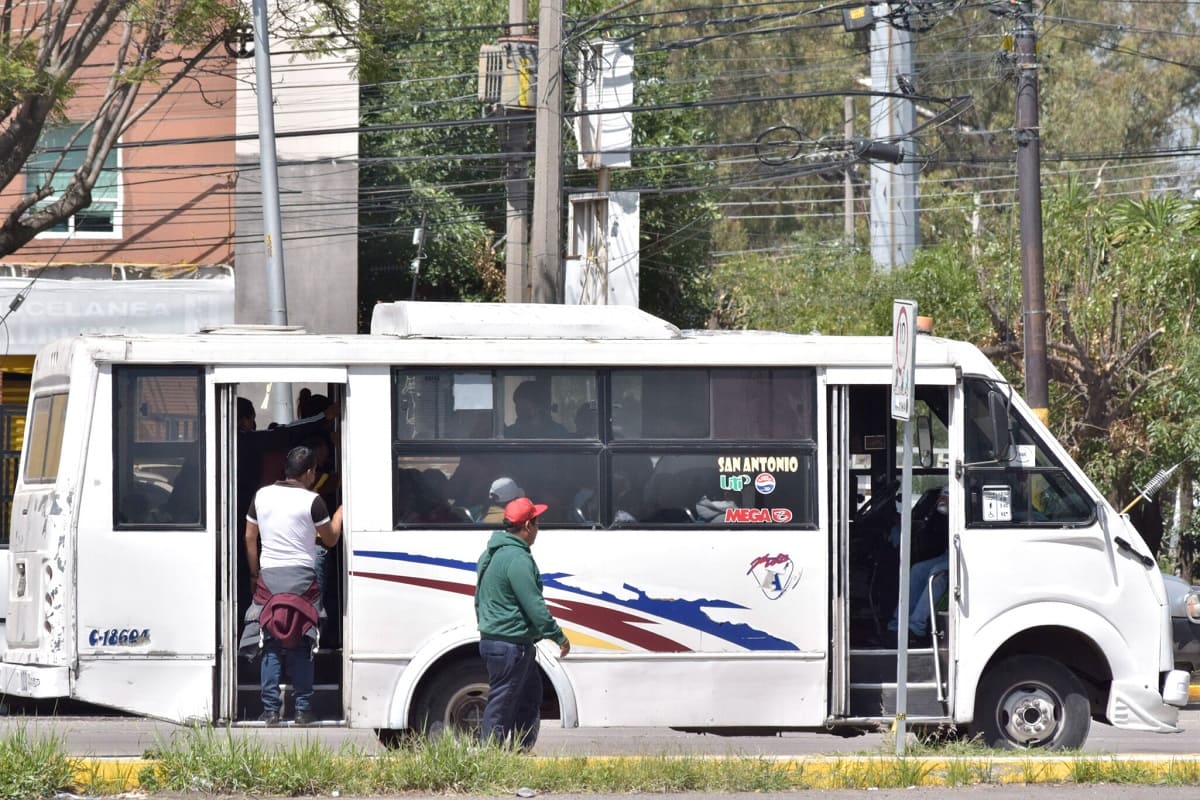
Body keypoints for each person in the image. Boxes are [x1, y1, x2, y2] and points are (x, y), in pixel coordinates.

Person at [241, 445, 343, 726]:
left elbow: (250, 537)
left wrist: (254, 574)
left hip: (269, 578)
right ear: (309, 472)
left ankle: (271, 711)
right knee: (302, 644)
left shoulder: (261, 496)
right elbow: (331, 538)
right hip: (302, 579)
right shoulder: (313, 501)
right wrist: (341, 512)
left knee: (271, 645)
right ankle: (302, 710)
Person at [475, 496, 570, 750]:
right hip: (511, 645)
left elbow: (479, 597)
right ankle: (491, 758)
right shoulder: (517, 559)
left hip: (496, 641)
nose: (538, 530)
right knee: (503, 704)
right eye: (537, 524)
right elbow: (534, 605)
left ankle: (519, 751)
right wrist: (557, 635)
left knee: (528, 697)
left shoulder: (490, 554)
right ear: (527, 525)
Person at [885, 486, 949, 647]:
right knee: (917, 570)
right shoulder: (941, 514)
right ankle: (897, 625)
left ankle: (916, 629)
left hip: (966, 555)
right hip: (948, 554)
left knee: (937, 572)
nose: (943, 500)